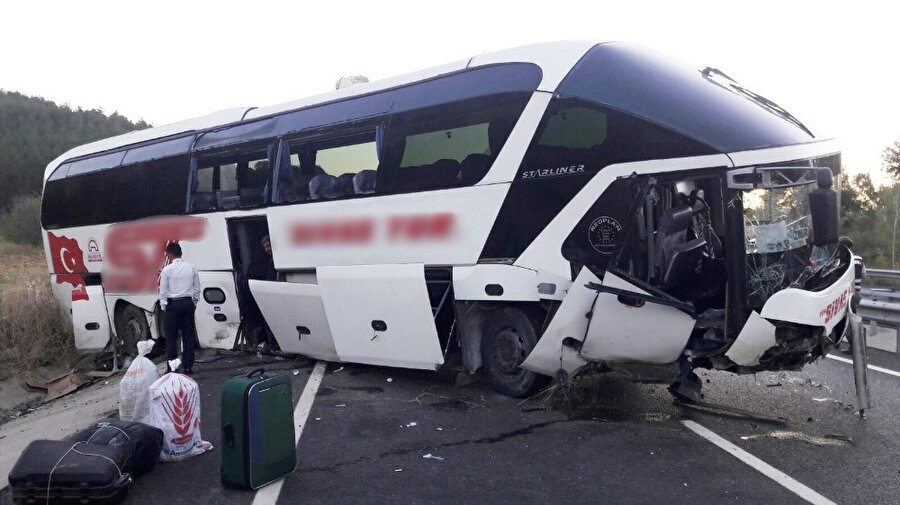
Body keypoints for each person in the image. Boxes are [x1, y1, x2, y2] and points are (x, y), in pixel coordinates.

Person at [158, 242, 200, 374]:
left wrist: (164, 305)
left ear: (169, 255)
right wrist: (194, 302)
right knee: (188, 335)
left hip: (173, 305)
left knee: (171, 337)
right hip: (187, 304)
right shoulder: (192, 267)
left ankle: (172, 367)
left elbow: (163, 291)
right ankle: (188, 366)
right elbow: (197, 288)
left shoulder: (167, 270)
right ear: (181, 253)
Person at [244, 235, 279, 351]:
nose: (267, 249)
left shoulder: (273, 261)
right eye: (265, 247)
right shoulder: (264, 261)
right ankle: (272, 344)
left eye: (269, 246)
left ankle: (273, 344)